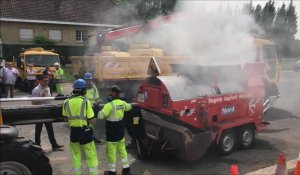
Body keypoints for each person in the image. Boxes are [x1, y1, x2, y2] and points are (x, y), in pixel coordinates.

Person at [62, 79, 99, 175]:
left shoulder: (66, 101)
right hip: (85, 132)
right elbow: (92, 120)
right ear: (83, 90)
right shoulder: (85, 102)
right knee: (91, 156)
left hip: (73, 133)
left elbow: (65, 119)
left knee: (76, 156)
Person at [97, 85, 132, 175]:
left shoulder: (110, 105)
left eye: (111, 92)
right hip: (120, 130)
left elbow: (100, 116)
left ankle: (112, 171)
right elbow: (129, 107)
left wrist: (97, 108)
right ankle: (126, 168)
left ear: (114, 93)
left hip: (112, 132)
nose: (109, 93)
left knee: (111, 152)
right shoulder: (122, 103)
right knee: (122, 150)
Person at [31, 75, 64, 151]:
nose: (47, 82)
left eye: (48, 80)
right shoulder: (35, 90)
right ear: (40, 81)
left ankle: (54, 145)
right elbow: (33, 103)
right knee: (38, 130)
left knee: (50, 129)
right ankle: (38, 147)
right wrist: (42, 95)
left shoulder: (48, 88)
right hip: (39, 112)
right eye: (45, 80)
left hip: (47, 111)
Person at [83, 72, 101, 143]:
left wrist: (97, 102)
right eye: (87, 80)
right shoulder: (83, 88)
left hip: (93, 107)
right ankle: (86, 136)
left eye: (89, 79)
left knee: (93, 123)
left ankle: (92, 136)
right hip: (85, 108)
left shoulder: (94, 87)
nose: (88, 81)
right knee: (85, 123)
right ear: (85, 80)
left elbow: (97, 97)